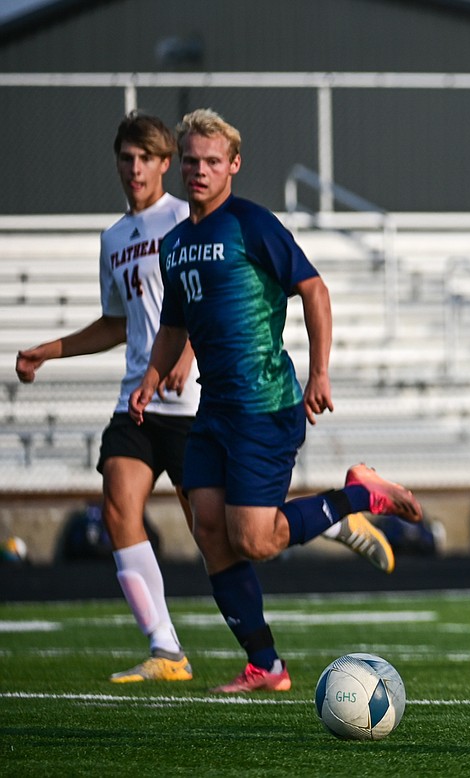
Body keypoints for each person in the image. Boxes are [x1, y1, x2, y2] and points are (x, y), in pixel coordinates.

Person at [128, 108, 423, 693]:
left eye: (212, 161)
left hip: (265, 404)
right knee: (209, 531)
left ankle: (357, 495)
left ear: (234, 165)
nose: (200, 171)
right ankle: (267, 666)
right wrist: (150, 375)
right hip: (213, 411)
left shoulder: (251, 224)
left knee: (255, 539)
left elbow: (313, 288)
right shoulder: (177, 241)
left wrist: (320, 372)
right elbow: (174, 323)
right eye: (191, 161)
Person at [15, 112, 198, 683]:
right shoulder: (113, 238)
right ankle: (166, 649)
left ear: (165, 163)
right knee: (119, 509)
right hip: (137, 402)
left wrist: (185, 356)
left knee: (221, 532)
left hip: (194, 400)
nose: (135, 167)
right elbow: (118, 323)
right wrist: (51, 349)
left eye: (146, 157)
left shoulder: (187, 219)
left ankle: (333, 517)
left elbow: (206, 298)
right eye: (127, 157)